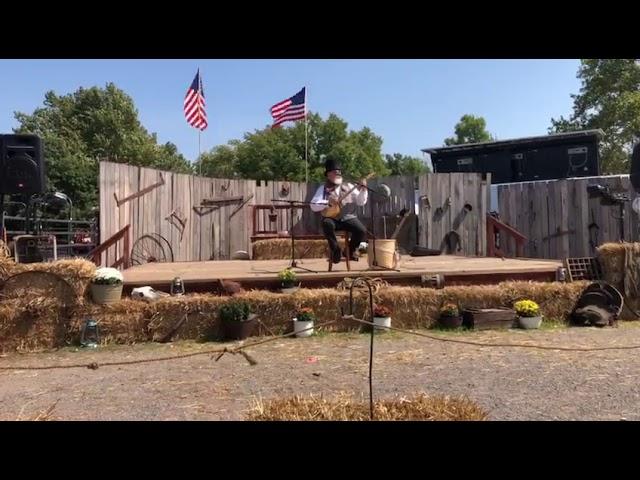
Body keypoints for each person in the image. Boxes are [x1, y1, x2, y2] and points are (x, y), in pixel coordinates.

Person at [310, 156, 368, 264]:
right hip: (332, 218)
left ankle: (349, 251)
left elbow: (361, 202)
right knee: (326, 223)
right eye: (334, 172)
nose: (337, 173)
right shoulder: (323, 189)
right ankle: (335, 250)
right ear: (328, 174)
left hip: (347, 218)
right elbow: (313, 206)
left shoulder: (349, 186)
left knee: (361, 230)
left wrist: (363, 190)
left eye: (338, 171)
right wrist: (327, 202)